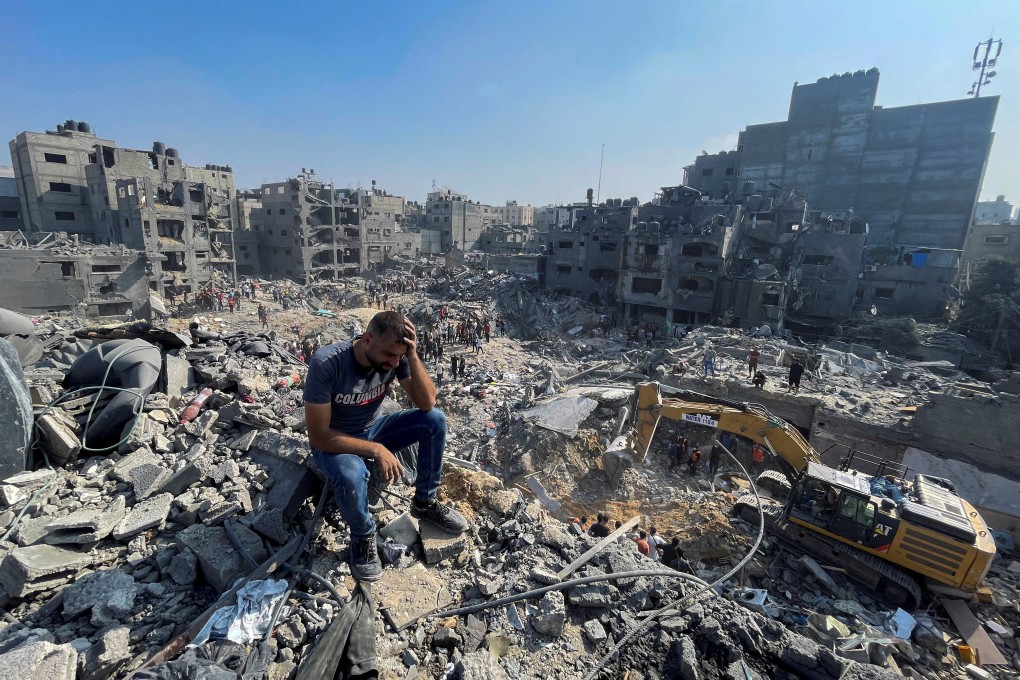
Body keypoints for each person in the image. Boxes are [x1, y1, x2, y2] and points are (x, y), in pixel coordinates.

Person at [303, 311, 468, 582]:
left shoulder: (396, 357)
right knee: (350, 474)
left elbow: (427, 404)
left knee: (434, 421)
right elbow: (318, 436)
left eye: (399, 356)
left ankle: (425, 502)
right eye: (389, 355)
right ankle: (362, 536)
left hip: (373, 429)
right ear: (367, 339)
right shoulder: (328, 363)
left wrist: (412, 355)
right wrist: (376, 450)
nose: (393, 362)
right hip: (335, 441)